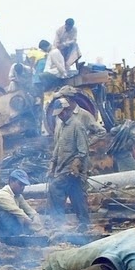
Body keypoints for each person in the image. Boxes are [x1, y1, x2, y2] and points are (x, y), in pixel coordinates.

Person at [47, 97, 90, 230]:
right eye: (58, 114)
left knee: (55, 187)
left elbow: (83, 151)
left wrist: (75, 164)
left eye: (62, 112)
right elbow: (57, 148)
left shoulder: (77, 126)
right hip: (61, 168)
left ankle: (58, 222)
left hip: (72, 169)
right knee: (76, 194)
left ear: (67, 110)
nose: (60, 116)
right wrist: (52, 166)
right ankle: (84, 222)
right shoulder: (60, 126)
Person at [0, 169, 42, 236]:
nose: (22, 187)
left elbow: (30, 211)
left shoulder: (18, 196)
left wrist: (35, 217)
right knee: (15, 216)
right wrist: (35, 226)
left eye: (24, 185)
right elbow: (18, 212)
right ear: (11, 181)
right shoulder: (4, 195)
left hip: (4, 225)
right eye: (20, 184)